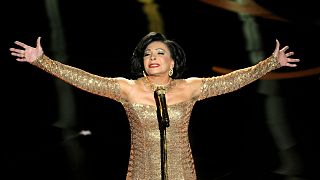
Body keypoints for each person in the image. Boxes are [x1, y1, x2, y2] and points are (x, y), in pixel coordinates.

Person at [9, 32, 299, 180]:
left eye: (161, 52)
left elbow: (234, 80)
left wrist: (271, 63)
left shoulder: (190, 88)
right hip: (141, 174)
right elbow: (85, 80)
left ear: (173, 63)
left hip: (182, 174)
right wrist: (42, 61)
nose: (153, 57)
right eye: (148, 53)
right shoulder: (128, 88)